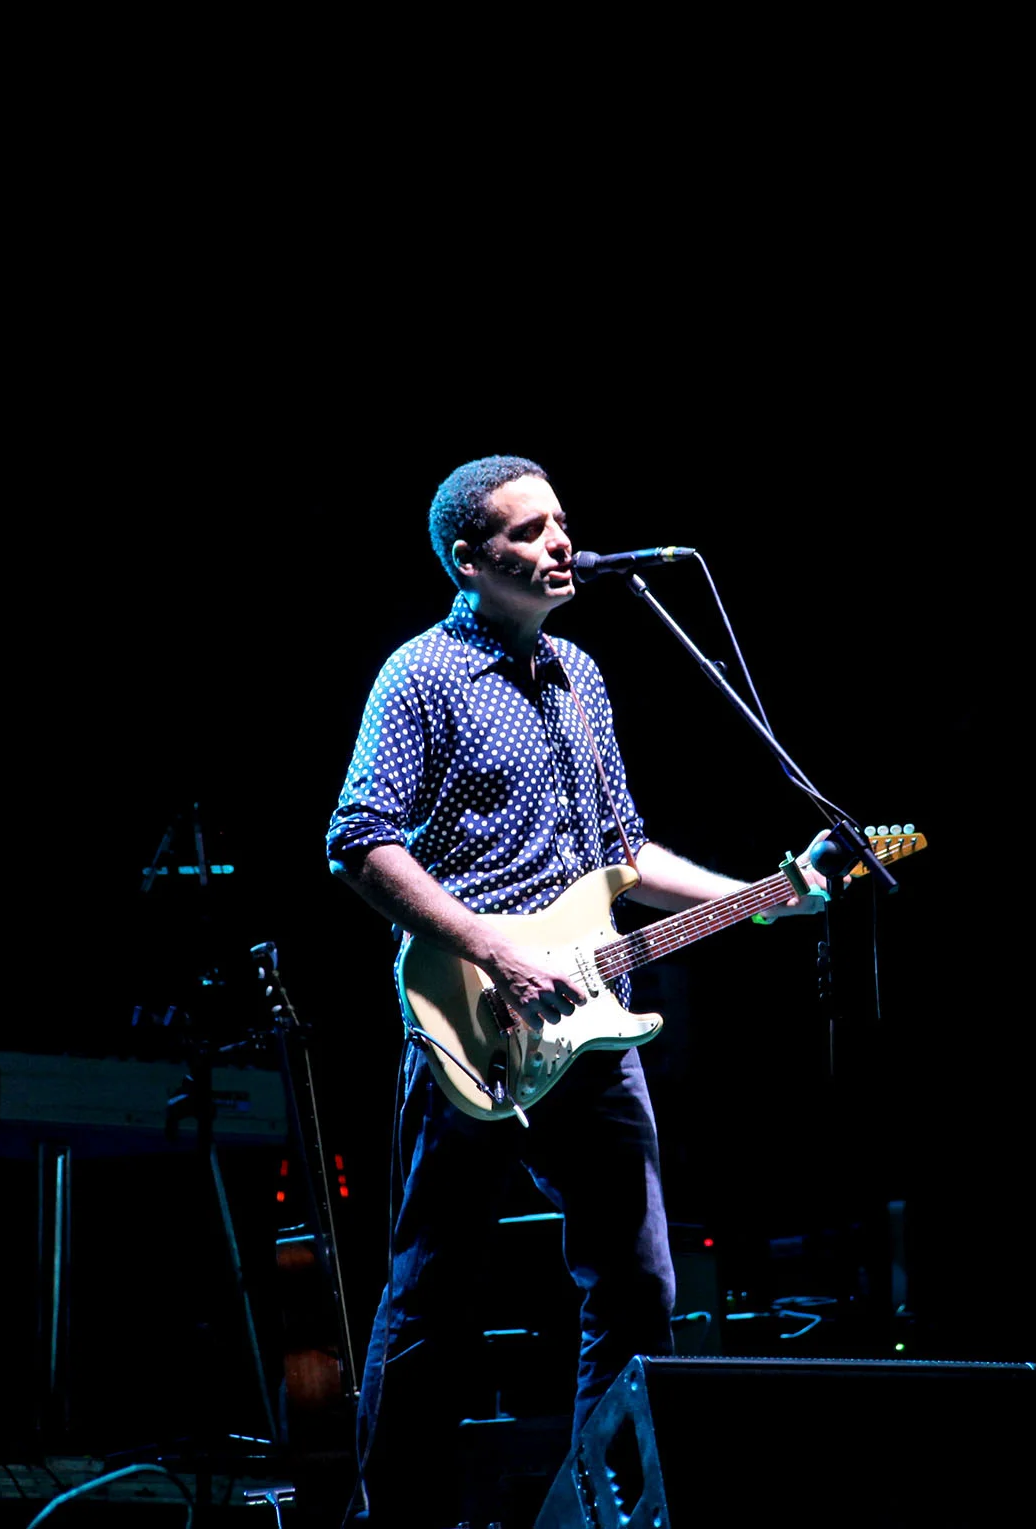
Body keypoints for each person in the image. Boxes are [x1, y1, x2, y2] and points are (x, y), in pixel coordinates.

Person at [325, 456, 825, 1528]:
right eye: (528, 530)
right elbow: (359, 844)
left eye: (562, 523)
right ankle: (393, 1518)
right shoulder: (419, 676)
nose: (561, 544)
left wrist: (760, 895)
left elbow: (622, 853)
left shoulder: (581, 675)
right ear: (470, 560)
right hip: (473, 1019)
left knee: (640, 1286)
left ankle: (592, 1512)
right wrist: (498, 950)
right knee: (431, 1300)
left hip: (593, 1030)